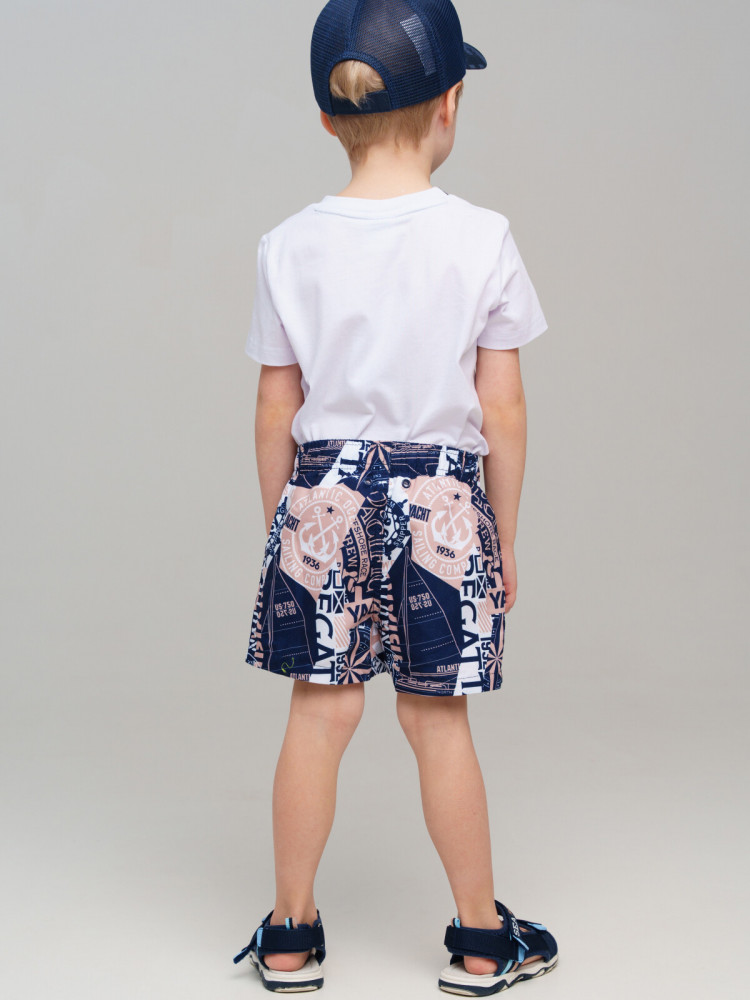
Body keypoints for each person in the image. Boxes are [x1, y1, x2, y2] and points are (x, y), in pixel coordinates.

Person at [232, 1, 559, 994]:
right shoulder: (483, 237)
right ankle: (480, 941)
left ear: (327, 116)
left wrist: (285, 524)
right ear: (449, 104)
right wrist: (503, 538)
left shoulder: (287, 245)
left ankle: (289, 935)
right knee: (437, 721)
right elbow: (503, 409)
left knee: (317, 715)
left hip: (322, 493)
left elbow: (275, 405)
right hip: (442, 499)